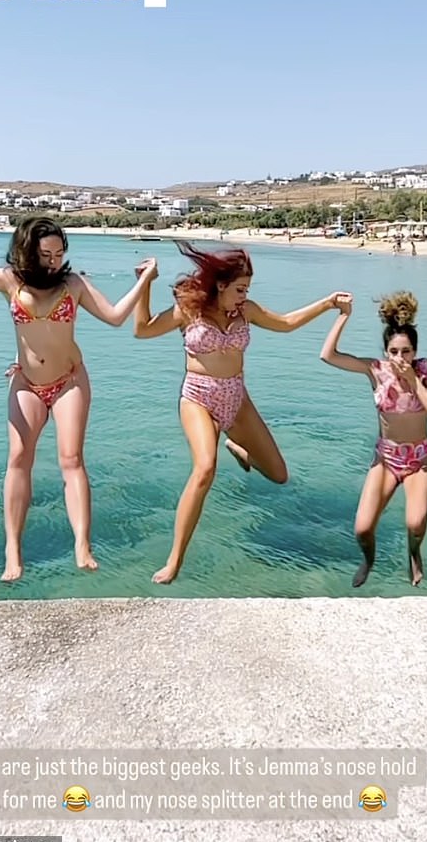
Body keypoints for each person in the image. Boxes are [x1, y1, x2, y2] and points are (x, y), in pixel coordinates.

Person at [0, 216, 157, 582]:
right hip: (26, 382)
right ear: (26, 252)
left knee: (72, 459)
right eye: (45, 254)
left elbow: (115, 317)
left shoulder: (73, 283)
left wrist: (144, 282)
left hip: (70, 380)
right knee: (18, 459)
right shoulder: (8, 280)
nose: (53, 261)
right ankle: (13, 551)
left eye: (58, 253)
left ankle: (82, 544)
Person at [134, 240, 351, 584]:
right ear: (220, 285)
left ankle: (237, 445)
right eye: (239, 288)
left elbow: (287, 323)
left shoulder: (245, 311)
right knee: (204, 469)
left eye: (246, 289)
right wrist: (144, 283)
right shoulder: (189, 310)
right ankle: (175, 560)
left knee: (279, 475)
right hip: (198, 397)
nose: (243, 295)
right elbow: (142, 329)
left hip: (236, 398)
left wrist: (327, 304)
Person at [320, 291, 427, 587]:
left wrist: (415, 382)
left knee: (415, 524)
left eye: (406, 352)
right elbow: (328, 355)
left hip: (419, 459)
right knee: (362, 529)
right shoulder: (375, 370)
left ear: (415, 351)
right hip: (386, 459)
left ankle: (414, 553)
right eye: (394, 351)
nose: (400, 358)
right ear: (386, 351)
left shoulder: (426, 370)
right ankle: (368, 560)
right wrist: (343, 316)